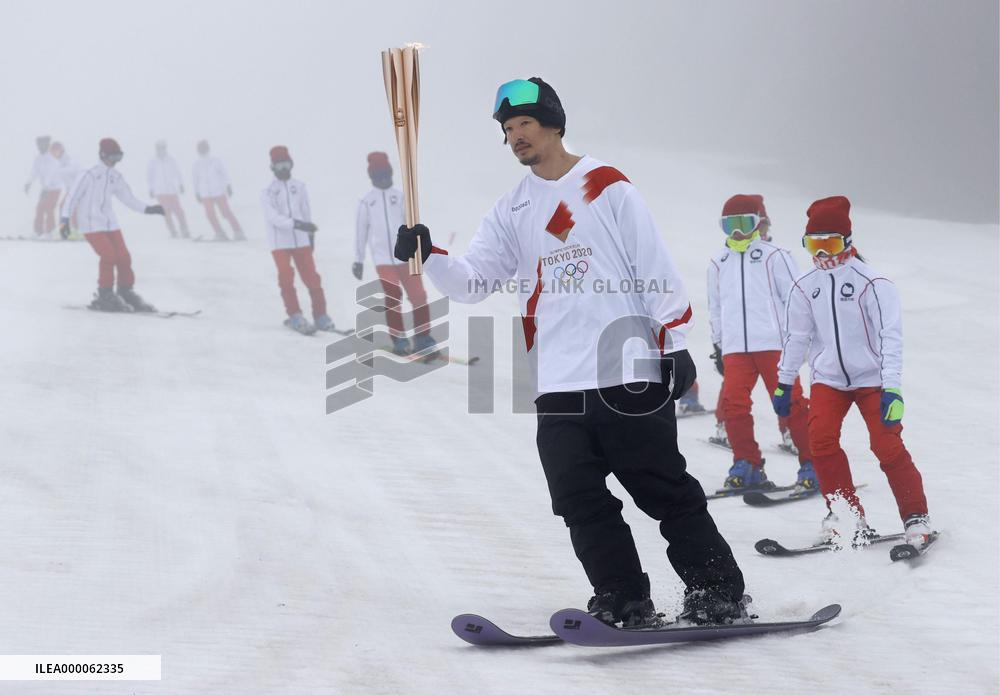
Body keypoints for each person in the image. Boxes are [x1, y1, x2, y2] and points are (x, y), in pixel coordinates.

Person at [395, 77, 747, 626]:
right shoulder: (513, 208)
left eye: (526, 124)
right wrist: (430, 254)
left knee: (661, 489)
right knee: (578, 499)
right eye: (508, 130)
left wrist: (673, 339)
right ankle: (623, 596)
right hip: (558, 380)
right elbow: (473, 282)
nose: (516, 137)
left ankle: (717, 592)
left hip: (626, 367)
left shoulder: (605, 185)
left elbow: (651, 263)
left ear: (555, 124)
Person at [773, 195, 932, 548]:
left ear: (847, 241)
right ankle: (845, 514)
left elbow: (891, 338)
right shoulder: (804, 285)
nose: (822, 254)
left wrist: (892, 389)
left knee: (886, 445)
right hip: (829, 380)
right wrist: (784, 383)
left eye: (829, 243)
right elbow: (797, 337)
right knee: (821, 440)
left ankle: (915, 516)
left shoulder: (873, 283)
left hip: (873, 380)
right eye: (814, 244)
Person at [708, 194, 815, 492]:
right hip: (736, 349)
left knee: (790, 403)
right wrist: (719, 345)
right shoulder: (719, 262)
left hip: (773, 345)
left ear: (758, 223)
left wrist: (799, 342)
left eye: (744, 223)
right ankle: (747, 463)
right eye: (730, 225)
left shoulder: (775, 255)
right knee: (733, 405)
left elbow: (797, 301)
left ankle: (812, 463)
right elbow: (716, 307)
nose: (738, 231)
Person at [59, 138, 165, 311]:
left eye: (119, 157)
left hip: (110, 223)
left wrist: (148, 209)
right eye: (113, 157)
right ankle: (105, 294)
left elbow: (128, 198)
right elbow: (73, 197)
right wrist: (65, 220)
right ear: (103, 155)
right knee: (109, 256)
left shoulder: (115, 177)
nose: (116, 162)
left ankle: (125, 291)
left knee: (124, 256)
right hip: (91, 224)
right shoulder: (89, 174)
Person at [354, 152, 436, 356]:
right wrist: (358, 260)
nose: (383, 178)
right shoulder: (366, 201)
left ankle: (423, 337)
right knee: (393, 297)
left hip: (406, 257)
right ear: (371, 176)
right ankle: (399, 339)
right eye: (378, 174)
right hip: (383, 260)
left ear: (390, 173)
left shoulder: (400, 196)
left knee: (419, 295)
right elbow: (360, 232)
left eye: (385, 173)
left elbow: (413, 224)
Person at [260, 145, 336, 335]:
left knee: (312, 277)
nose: (283, 168)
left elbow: (306, 212)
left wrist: (310, 236)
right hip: (280, 242)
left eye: (286, 164)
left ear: (291, 164)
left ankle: (321, 315)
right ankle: (295, 314)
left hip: (301, 240)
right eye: (279, 165)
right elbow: (273, 217)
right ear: (273, 167)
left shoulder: (299, 187)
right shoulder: (268, 191)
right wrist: (296, 224)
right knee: (286, 277)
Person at [193, 140, 244, 241]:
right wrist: (197, 193)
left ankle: (238, 231)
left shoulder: (215, 161)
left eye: (204, 148)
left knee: (226, 212)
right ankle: (219, 233)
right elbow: (195, 180)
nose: (202, 150)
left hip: (218, 191)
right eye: (200, 149)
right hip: (205, 194)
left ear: (207, 148)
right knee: (210, 214)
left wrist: (228, 185)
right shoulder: (197, 164)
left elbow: (224, 174)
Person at [147, 140, 190, 239]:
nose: (161, 150)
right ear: (156, 149)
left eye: (163, 148)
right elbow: (150, 177)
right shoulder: (153, 162)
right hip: (160, 192)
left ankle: (184, 230)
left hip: (171, 190)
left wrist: (180, 184)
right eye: (159, 148)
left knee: (179, 211)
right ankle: (173, 231)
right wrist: (151, 189)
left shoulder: (171, 160)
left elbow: (178, 173)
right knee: (166, 212)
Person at [25, 135, 61, 237]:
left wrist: (46, 188)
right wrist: (29, 183)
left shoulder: (52, 160)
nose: (40, 147)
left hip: (54, 189)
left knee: (48, 208)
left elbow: (50, 175)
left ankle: (50, 232)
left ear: (48, 145)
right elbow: (34, 172)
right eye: (39, 145)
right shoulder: (38, 158)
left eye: (43, 144)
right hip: (45, 188)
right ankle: (38, 231)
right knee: (39, 208)